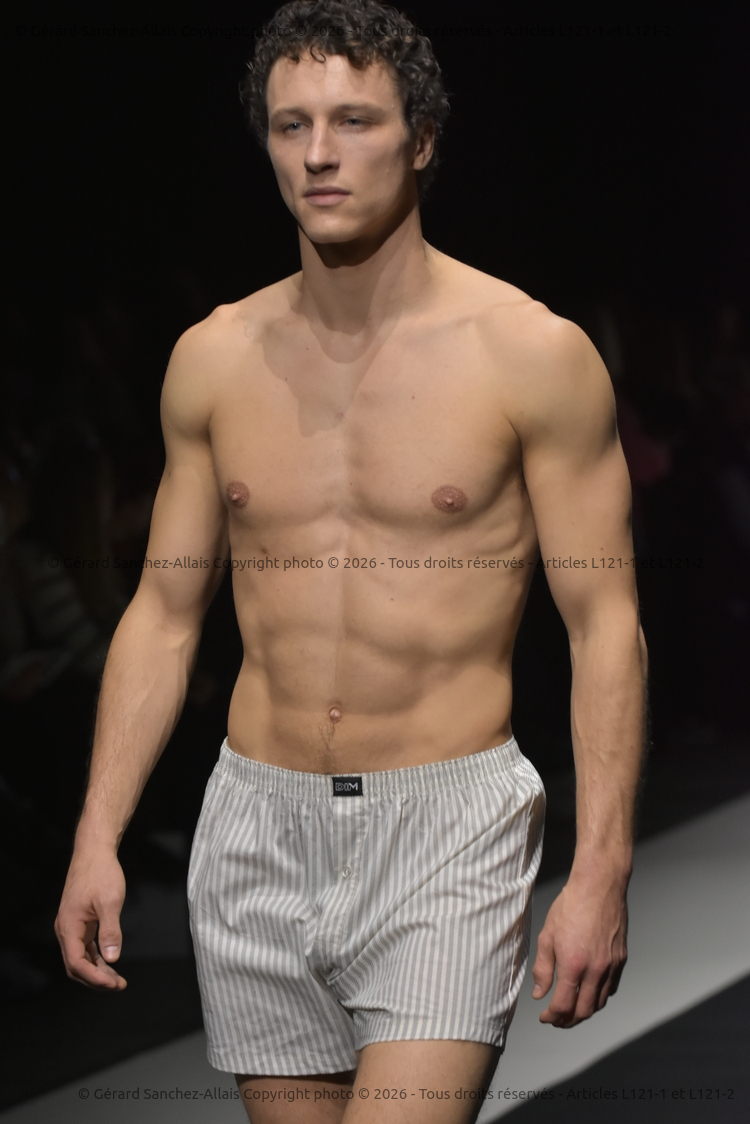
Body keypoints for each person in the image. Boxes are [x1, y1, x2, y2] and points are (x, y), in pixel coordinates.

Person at [54, 2, 648, 1121]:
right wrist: (97, 835)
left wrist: (604, 865)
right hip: (254, 827)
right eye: (292, 125)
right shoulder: (213, 359)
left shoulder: (532, 355)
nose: (318, 153)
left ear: (422, 139)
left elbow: (603, 619)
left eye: (354, 121)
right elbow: (165, 613)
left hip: (447, 828)